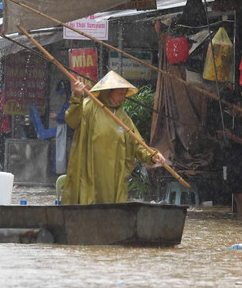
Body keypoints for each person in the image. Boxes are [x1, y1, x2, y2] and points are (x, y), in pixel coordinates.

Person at [62, 71, 166, 205]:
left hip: (114, 177)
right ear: (108, 91)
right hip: (89, 173)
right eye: (120, 93)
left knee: (113, 210)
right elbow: (72, 121)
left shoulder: (123, 118)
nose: (122, 97)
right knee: (89, 208)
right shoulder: (89, 106)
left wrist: (152, 155)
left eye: (124, 93)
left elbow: (137, 143)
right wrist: (77, 98)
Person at [216, 98, 242, 218]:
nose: (230, 111)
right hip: (233, 160)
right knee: (236, 194)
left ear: (238, 105)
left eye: (230, 108)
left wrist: (231, 136)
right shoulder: (234, 121)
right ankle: (240, 219)